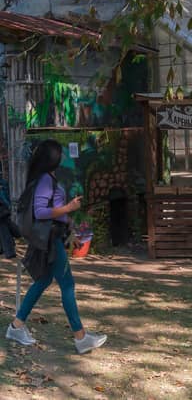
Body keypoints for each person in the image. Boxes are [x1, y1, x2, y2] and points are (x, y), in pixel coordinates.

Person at [7, 140, 106, 353]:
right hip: (50, 241)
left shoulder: (48, 178)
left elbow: (55, 210)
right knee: (67, 285)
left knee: (43, 281)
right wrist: (69, 208)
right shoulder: (45, 180)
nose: (63, 156)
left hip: (53, 237)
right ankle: (80, 337)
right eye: (60, 153)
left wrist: (70, 228)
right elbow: (41, 211)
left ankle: (16, 326)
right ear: (52, 158)